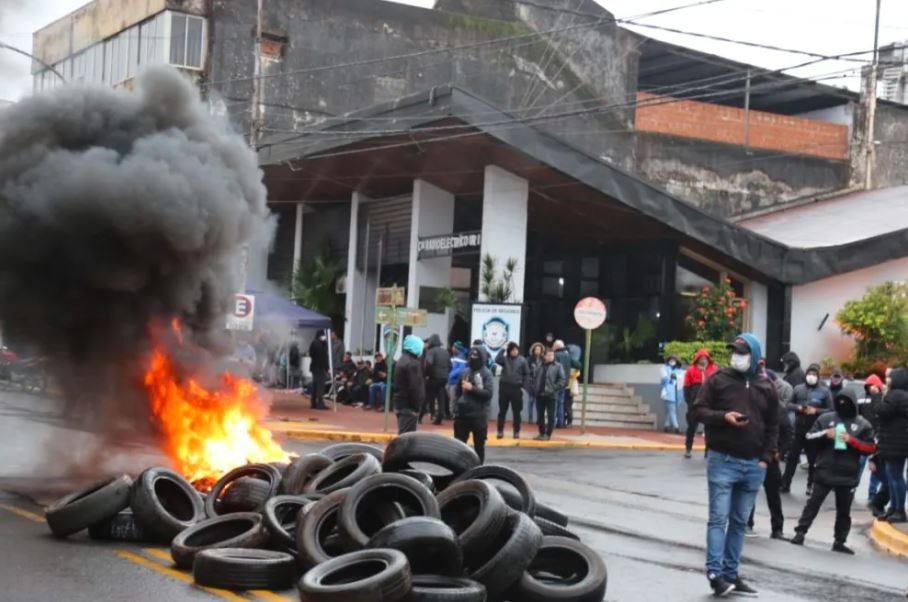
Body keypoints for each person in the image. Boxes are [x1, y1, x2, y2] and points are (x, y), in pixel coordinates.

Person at [692, 333, 778, 598]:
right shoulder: (718, 380)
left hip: (753, 465)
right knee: (718, 519)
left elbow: (774, 425)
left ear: (754, 356)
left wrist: (765, 459)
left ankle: (731, 574)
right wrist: (723, 417)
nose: (737, 356)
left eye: (742, 352)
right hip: (723, 461)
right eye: (735, 352)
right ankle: (715, 574)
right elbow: (698, 410)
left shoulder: (766, 386)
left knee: (739, 522)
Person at [790, 388, 876, 553]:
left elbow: (870, 447)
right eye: (840, 401)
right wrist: (825, 434)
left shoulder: (862, 424)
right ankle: (800, 532)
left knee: (844, 510)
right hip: (825, 469)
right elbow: (809, 437)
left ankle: (839, 541)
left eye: (847, 402)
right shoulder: (826, 418)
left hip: (847, 473)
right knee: (813, 504)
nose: (843, 405)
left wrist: (851, 441)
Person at [747, 363, 793, 540]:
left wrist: (780, 452)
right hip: (753, 455)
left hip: (771, 457)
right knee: (749, 492)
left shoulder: (779, 408)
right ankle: (747, 524)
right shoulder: (751, 405)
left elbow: (788, 433)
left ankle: (777, 529)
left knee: (773, 495)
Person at [781, 363, 833, 495]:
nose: (811, 377)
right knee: (792, 458)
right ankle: (785, 483)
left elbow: (830, 410)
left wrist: (816, 411)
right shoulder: (798, 389)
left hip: (814, 431)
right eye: (809, 374)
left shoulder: (824, 391)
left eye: (814, 375)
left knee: (813, 461)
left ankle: (811, 485)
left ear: (818, 376)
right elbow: (789, 404)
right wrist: (798, 407)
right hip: (799, 430)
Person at [876, 367, 908, 523]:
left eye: (890, 378)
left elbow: (882, 410)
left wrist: (878, 396)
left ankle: (899, 510)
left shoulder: (896, 395)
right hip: (895, 442)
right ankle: (894, 508)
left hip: (895, 442)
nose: (888, 380)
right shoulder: (901, 395)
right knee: (892, 476)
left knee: (895, 476)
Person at [454, 346, 494, 463]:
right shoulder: (465, 372)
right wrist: (456, 407)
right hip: (462, 414)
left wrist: (472, 388)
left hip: (479, 415)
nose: (473, 358)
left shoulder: (487, 373)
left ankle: (478, 469)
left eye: (476, 356)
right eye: (472, 355)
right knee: (459, 445)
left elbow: (488, 394)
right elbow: (457, 392)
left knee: (479, 447)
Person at [683, 348, 718, 459]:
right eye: (701, 358)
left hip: (709, 404)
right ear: (697, 359)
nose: (703, 360)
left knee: (710, 429)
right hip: (694, 404)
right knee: (691, 428)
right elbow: (686, 388)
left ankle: (708, 451)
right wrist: (689, 403)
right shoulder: (691, 370)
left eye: (705, 358)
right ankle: (688, 448)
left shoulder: (713, 369)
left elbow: (717, 386)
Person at [496, 342, 531, 440]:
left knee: (516, 412)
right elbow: (497, 359)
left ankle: (516, 431)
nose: (515, 351)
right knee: (502, 411)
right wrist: (503, 348)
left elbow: (527, 374)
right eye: (512, 350)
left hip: (516, 388)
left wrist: (524, 387)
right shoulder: (505, 359)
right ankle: (500, 431)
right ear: (509, 351)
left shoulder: (522, 360)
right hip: (504, 387)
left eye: (516, 349)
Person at [393, 335, 425, 434]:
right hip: (408, 406)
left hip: (400, 404)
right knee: (407, 438)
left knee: (403, 434)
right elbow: (414, 388)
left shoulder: (402, 360)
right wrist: (416, 407)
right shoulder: (412, 364)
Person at [533, 348, 566, 441]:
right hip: (539, 394)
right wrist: (534, 387)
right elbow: (534, 377)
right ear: (544, 356)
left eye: (552, 355)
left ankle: (548, 434)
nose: (550, 357)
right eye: (549, 355)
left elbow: (562, 380)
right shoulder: (539, 365)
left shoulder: (558, 366)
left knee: (551, 416)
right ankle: (541, 433)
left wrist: (554, 388)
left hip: (551, 395)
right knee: (540, 416)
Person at [423, 334, 452, 425]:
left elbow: (428, 364)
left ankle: (420, 416)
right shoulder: (445, 352)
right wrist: (446, 374)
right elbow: (450, 366)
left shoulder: (431, 352)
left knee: (427, 397)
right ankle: (440, 416)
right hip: (443, 378)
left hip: (433, 378)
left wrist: (427, 374)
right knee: (441, 397)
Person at [553, 340, 579, 429]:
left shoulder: (555, 355)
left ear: (556, 347)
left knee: (554, 403)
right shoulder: (568, 356)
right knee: (561, 403)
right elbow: (578, 365)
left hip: (555, 383)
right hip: (565, 383)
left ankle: (553, 422)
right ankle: (561, 422)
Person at [661, 355, 684, 434]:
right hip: (668, 392)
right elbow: (664, 379)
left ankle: (666, 426)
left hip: (677, 393)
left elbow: (682, 378)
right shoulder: (665, 368)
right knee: (672, 410)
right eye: (671, 360)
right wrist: (672, 377)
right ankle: (676, 428)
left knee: (669, 411)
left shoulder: (679, 370)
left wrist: (676, 376)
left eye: (674, 360)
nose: (672, 361)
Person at [307, 332, 330, 410]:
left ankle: (313, 403)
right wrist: (327, 367)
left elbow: (311, 354)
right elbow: (323, 357)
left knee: (315, 385)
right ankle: (320, 403)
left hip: (314, 367)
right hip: (320, 367)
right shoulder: (321, 344)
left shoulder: (313, 343)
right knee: (320, 385)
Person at [526, 342, 545, 424]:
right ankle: (530, 417)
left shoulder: (543, 359)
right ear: (533, 350)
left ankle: (539, 418)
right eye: (536, 349)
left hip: (540, 383)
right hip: (531, 382)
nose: (538, 350)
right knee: (531, 400)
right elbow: (526, 370)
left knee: (539, 402)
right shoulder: (529, 359)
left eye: (539, 349)